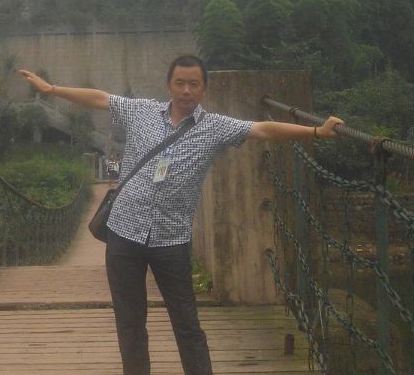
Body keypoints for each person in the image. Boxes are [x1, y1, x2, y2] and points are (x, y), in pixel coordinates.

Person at [18, 55, 343, 375]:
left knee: (186, 323)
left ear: (204, 89)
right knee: (129, 321)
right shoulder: (141, 110)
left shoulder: (215, 127)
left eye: (194, 84)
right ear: (169, 85)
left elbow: (263, 129)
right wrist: (52, 90)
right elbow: (100, 99)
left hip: (171, 239)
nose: (186, 90)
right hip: (124, 232)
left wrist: (315, 132)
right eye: (180, 83)